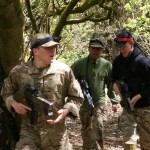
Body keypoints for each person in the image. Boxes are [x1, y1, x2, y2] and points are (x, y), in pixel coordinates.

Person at [1, 33, 84, 150]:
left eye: (54, 47)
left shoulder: (64, 71)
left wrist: (66, 110)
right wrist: (14, 104)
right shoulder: (18, 72)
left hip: (57, 136)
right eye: (48, 48)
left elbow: (77, 97)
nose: (53, 51)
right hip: (29, 133)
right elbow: (6, 93)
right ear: (35, 51)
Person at [71, 33, 118, 150]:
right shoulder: (79, 64)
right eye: (93, 48)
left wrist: (114, 101)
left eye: (98, 49)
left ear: (102, 50)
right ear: (89, 49)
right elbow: (69, 79)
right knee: (86, 128)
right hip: (84, 102)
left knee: (98, 127)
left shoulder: (107, 65)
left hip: (99, 101)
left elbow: (110, 84)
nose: (95, 51)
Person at [112, 30, 150, 150]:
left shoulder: (143, 62)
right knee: (128, 138)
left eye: (124, 47)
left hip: (145, 106)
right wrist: (116, 89)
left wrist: (140, 95)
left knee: (147, 141)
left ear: (131, 43)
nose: (122, 50)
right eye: (120, 48)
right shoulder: (118, 61)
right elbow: (113, 79)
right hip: (128, 106)